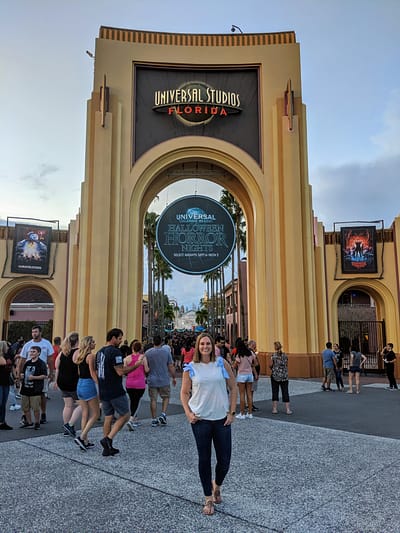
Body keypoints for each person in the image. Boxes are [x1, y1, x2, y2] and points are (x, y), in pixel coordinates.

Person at [180, 333, 237, 516]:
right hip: (201, 420)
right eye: (202, 344)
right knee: (204, 459)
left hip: (222, 419)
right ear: (197, 347)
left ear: (213, 346)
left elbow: (233, 387)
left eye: (208, 344)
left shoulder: (222, 363)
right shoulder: (191, 367)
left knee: (224, 460)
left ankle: (217, 486)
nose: (205, 347)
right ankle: (208, 498)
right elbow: (184, 393)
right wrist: (188, 413)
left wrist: (232, 412)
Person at [96, 328, 141, 456]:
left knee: (108, 416)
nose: (121, 341)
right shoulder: (115, 352)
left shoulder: (99, 352)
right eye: (119, 338)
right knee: (126, 415)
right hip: (114, 389)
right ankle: (108, 439)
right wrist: (136, 365)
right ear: (113, 338)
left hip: (103, 388)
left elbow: (97, 370)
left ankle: (107, 447)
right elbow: (120, 371)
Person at [19, 325, 54, 424]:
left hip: (41, 371)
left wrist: (51, 373)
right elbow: (22, 360)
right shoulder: (28, 345)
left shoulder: (46, 343)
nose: (34, 334)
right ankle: (25, 416)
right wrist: (20, 373)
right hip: (28, 372)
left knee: (42, 394)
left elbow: (50, 360)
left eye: (36, 332)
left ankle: (43, 413)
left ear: (40, 332)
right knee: (26, 394)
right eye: (33, 332)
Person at [72, 336, 100, 450]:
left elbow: (80, 372)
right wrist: (99, 384)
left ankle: (85, 440)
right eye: (93, 342)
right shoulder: (91, 356)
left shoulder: (80, 356)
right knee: (96, 414)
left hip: (80, 384)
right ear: (89, 344)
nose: (94, 343)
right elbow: (93, 373)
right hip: (88, 384)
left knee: (85, 413)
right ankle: (82, 437)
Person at [144, 335, 176, 427]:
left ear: (153, 342)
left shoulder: (148, 353)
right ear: (161, 342)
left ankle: (154, 419)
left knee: (153, 399)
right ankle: (163, 414)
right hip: (164, 379)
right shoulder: (166, 352)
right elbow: (170, 365)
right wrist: (173, 377)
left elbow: (145, 367)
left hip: (152, 379)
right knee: (166, 397)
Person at [55, 332, 81, 438]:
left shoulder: (62, 352)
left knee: (68, 405)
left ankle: (66, 426)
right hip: (73, 382)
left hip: (62, 381)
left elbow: (57, 367)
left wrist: (56, 381)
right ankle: (70, 424)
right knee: (82, 404)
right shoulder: (78, 352)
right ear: (77, 341)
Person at [19, 346, 48, 429]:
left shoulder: (41, 363)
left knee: (35, 408)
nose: (31, 353)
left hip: (35, 389)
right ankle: (29, 422)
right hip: (25, 388)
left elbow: (44, 375)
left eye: (34, 351)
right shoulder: (27, 363)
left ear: (38, 353)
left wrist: (34, 377)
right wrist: (21, 376)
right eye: (30, 351)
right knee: (25, 407)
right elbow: (23, 372)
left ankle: (37, 423)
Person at [124, 340, 147, 430]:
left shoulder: (126, 359)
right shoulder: (142, 358)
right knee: (137, 401)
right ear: (140, 348)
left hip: (129, 382)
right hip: (140, 382)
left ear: (132, 348)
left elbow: (125, 371)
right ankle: (131, 419)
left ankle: (134, 418)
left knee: (132, 400)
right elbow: (147, 369)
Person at [233, 339, 256, 419]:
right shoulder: (250, 353)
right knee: (249, 394)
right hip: (249, 374)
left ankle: (242, 413)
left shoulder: (239, 355)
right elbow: (255, 362)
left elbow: (234, 366)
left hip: (242, 375)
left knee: (242, 394)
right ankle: (250, 413)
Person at [270, 341, 292, 415]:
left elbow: (270, 365)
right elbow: (286, 364)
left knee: (275, 391)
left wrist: (272, 367)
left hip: (275, 376)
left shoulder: (273, 356)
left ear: (275, 347)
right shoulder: (285, 355)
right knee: (285, 391)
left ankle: (275, 409)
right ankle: (288, 409)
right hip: (284, 376)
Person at [0, 340, 13, 430]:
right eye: (7, 346)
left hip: (6, 381)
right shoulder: (2, 357)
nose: (8, 348)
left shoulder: (7, 355)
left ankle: (2, 421)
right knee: (0, 402)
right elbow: (3, 363)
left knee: (3, 403)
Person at [248, 339, 260, 411]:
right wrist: (255, 374)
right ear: (252, 345)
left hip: (252, 373)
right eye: (255, 345)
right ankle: (250, 404)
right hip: (252, 374)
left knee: (251, 390)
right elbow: (252, 364)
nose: (256, 346)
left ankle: (250, 404)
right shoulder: (250, 352)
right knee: (251, 390)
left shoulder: (251, 351)